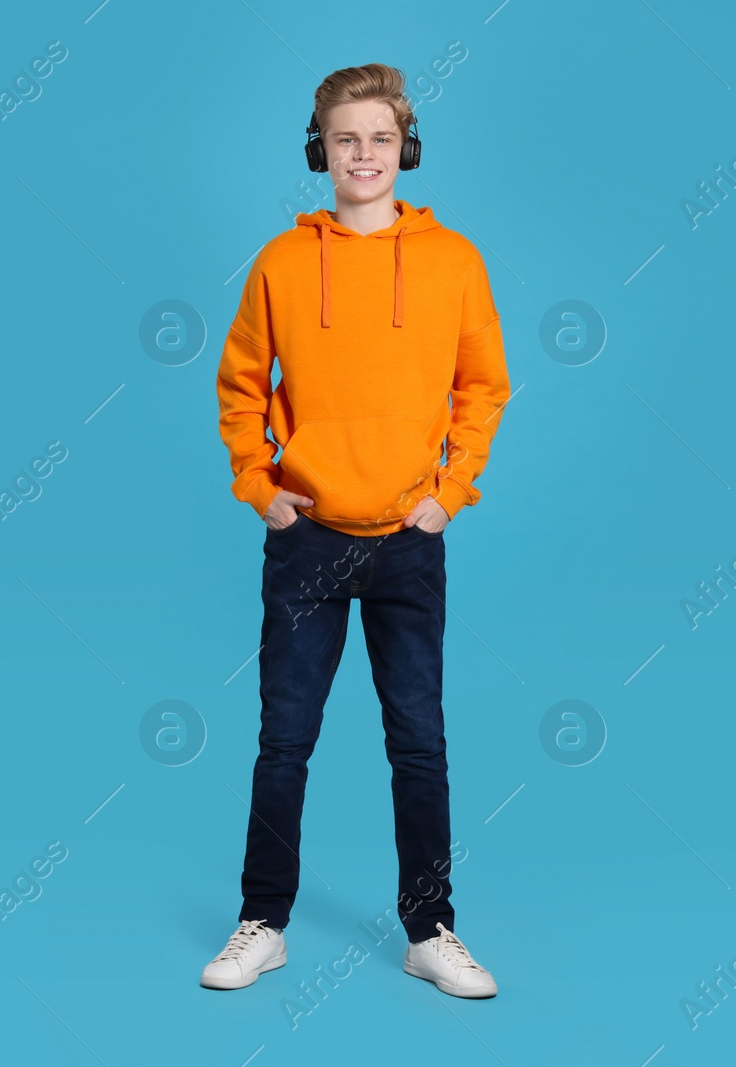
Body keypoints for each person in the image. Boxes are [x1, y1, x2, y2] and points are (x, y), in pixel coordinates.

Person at [204, 62, 510, 1000]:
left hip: (409, 538)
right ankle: (264, 921)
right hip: (307, 538)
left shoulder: (455, 260)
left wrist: (449, 495)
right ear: (319, 151)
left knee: (419, 740)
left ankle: (431, 927)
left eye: (381, 137)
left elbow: (483, 387)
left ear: (405, 148)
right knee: (283, 739)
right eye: (346, 139)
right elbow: (241, 383)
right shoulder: (282, 262)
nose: (365, 154)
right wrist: (261, 487)